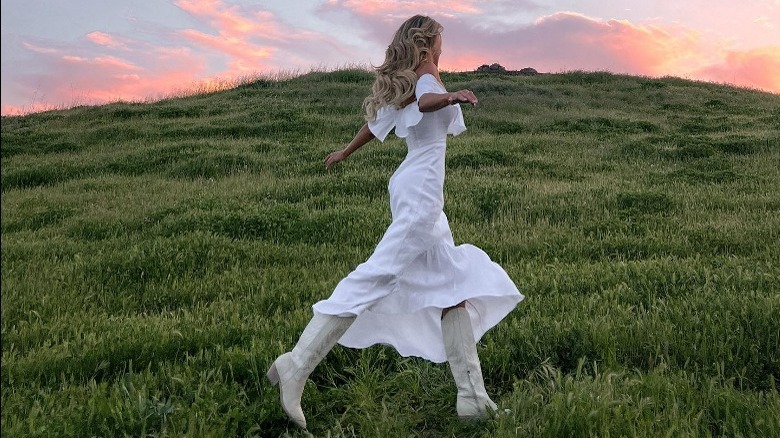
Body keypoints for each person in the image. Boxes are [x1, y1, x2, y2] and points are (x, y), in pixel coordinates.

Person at [267, 14, 524, 429]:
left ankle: (473, 398)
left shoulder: (408, 80)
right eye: (440, 38)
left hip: (418, 190)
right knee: (378, 273)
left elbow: (375, 125)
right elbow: (425, 102)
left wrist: (344, 152)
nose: (443, 44)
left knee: (452, 287)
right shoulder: (426, 76)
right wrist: (453, 95)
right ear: (428, 43)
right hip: (421, 191)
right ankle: (297, 364)